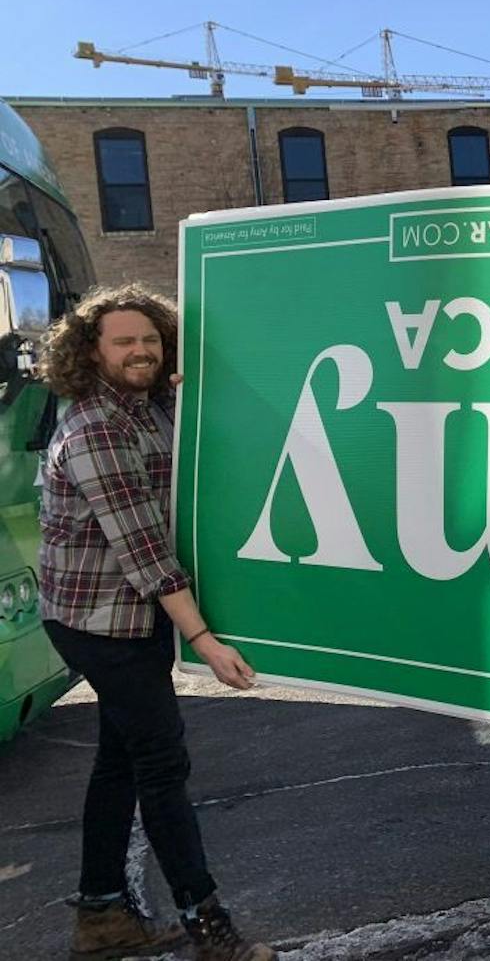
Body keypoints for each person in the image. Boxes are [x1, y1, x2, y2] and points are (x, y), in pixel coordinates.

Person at [36, 284, 276, 961]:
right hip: (100, 620)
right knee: (162, 762)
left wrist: (180, 387)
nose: (140, 351)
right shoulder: (95, 430)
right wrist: (203, 638)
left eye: (150, 339)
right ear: (89, 351)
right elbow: (143, 550)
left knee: (120, 763)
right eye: (124, 341)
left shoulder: (146, 408)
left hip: (127, 612)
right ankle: (210, 930)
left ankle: (101, 917)